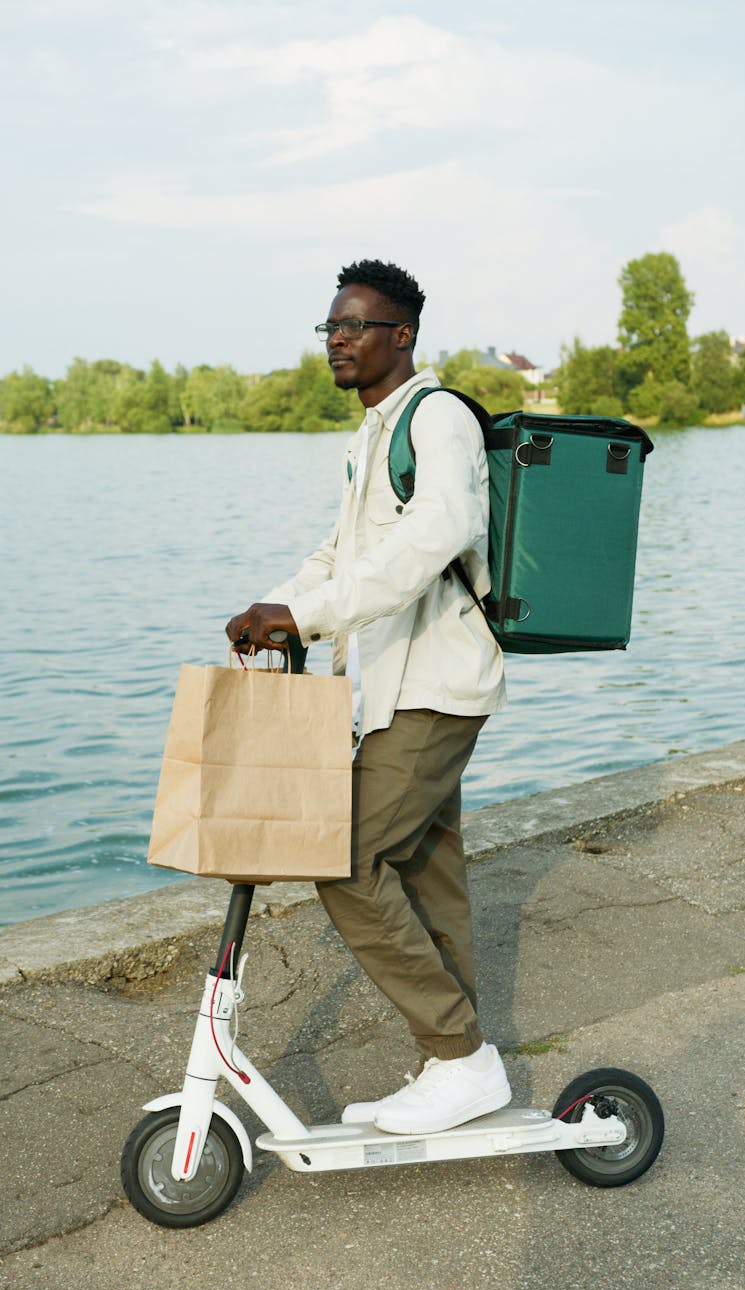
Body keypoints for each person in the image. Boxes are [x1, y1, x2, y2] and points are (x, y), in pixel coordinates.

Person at [226, 258, 509, 1135]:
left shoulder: (440, 418)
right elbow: (341, 551)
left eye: (355, 326)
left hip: (435, 683)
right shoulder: (372, 435)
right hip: (393, 686)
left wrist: (305, 615)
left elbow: (439, 533)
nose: (337, 341)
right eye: (330, 327)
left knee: (343, 854)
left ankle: (457, 1054)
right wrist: (278, 606)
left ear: (403, 335)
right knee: (428, 873)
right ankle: (457, 1068)